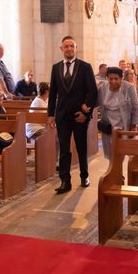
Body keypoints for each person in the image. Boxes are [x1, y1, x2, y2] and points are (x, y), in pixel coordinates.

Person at [48, 36, 98, 193]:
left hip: (79, 115)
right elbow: (53, 93)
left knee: (81, 147)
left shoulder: (85, 67)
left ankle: (84, 175)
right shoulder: (56, 68)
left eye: (72, 46)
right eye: (66, 46)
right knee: (64, 148)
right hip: (62, 115)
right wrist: (51, 114)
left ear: (76, 48)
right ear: (61, 48)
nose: (69, 49)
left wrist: (86, 112)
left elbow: (93, 92)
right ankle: (65, 181)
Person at [98, 67, 138, 159]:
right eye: (110, 79)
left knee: (122, 151)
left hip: (123, 122)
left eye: (116, 79)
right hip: (108, 123)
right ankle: (113, 171)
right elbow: (96, 103)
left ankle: (117, 171)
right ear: (107, 78)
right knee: (110, 152)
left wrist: (134, 125)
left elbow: (136, 108)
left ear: (121, 78)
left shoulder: (129, 87)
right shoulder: (103, 87)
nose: (113, 81)